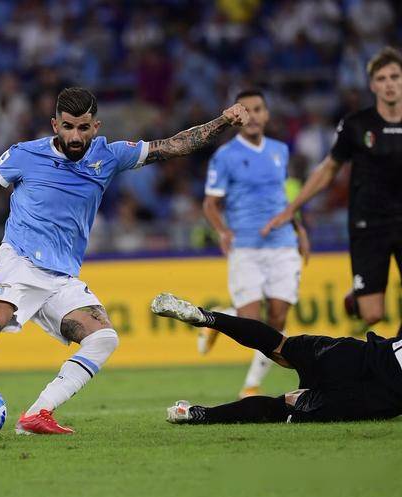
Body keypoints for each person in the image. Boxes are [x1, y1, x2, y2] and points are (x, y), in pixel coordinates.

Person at [0, 87, 249, 434]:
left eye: (83, 128)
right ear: (55, 124)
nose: (75, 136)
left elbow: (174, 145)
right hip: (20, 262)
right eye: (68, 127)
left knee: (103, 338)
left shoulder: (109, 155)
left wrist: (223, 121)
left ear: (96, 126)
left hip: (61, 277)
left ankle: (37, 413)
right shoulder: (25, 155)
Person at [263, 46, 402, 337]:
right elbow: (328, 169)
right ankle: (356, 299)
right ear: (372, 85)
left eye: (395, 77)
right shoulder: (357, 125)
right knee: (373, 314)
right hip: (369, 223)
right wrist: (291, 208)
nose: (389, 84)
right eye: (382, 78)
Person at [202, 90, 309, 398]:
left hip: (283, 243)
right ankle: (222, 316)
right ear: (237, 117)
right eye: (245, 110)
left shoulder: (280, 150)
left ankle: (251, 385)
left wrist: (299, 228)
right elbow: (210, 204)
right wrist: (223, 231)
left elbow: (281, 198)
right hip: (246, 246)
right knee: (251, 323)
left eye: (258, 109)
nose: (252, 115)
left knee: (277, 318)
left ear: (267, 114)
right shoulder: (225, 156)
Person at [151, 293, 402, 424]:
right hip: (375, 394)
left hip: (361, 354)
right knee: (286, 405)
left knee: (280, 346)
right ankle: (196, 414)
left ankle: (206, 317)